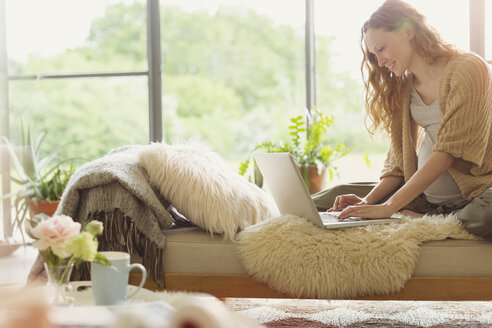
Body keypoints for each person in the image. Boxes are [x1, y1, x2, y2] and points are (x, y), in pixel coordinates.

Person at [312, 0, 492, 241]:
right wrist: (369, 202)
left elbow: (448, 151)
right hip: (424, 199)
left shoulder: (469, 68)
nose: (379, 61)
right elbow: (398, 162)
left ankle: (442, 220)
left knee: (487, 213)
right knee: (333, 195)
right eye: (374, 54)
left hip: (474, 194)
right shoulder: (404, 86)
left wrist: (389, 207)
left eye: (382, 48)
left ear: (409, 31)